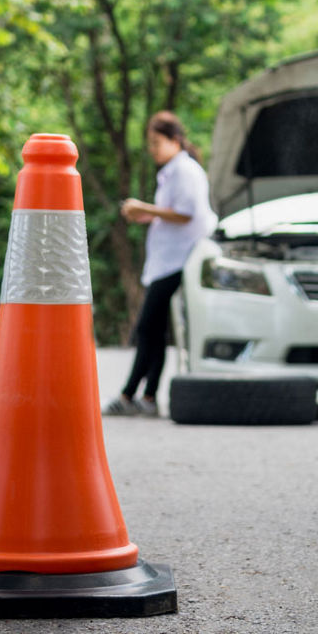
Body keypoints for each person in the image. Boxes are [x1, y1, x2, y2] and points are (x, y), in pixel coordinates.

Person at [104, 110, 217, 416]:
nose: (152, 149)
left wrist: (145, 207)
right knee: (153, 331)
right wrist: (146, 214)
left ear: (174, 140)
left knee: (146, 328)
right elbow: (171, 213)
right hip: (167, 259)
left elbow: (186, 213)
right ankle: (148, 397)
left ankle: (130, 395)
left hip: (179, 260)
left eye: (156, 142)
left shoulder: (184, 170)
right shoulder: (172, 171)